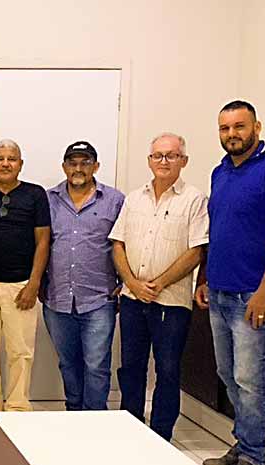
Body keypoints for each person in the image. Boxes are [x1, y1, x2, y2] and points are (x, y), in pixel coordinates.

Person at [196, 100, 265, 465]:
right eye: (224, 128)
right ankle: (245, 442)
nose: (231, 134)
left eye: (239, 126)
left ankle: (252, 458)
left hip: (256, 295)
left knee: (251, 381)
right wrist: (206, 278)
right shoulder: (220, 172)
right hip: (221, 292)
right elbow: (219, 230)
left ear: (257, 127)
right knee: (228, 374)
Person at [109, 133, 208, 441]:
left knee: (167, 370)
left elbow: (197, 250)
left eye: (171, 155)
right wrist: (131, 283)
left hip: (171, 302)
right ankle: (131, 428)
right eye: (157, 156)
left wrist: (159, 283)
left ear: (183, 160)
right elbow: (117, 243)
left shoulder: (194, 199)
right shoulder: (134, 198)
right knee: (131, 367)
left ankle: (160, 435)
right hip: (132, 299)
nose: (163, 161)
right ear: (149, 160)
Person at [41, 141, 124, 411]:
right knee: (68, 363)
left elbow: (126, 243)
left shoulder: (115, 200)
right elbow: (39, 244)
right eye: (73, 163)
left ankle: (95, 419)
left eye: (85, 162)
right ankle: (74, 413)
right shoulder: (48, 200)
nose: (78, 168)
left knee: (96, 365)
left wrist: (125, 281)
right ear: (64, 167)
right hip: (57, 298)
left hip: (99, 298)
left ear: (95, 166)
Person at [0, 139, 50, 412]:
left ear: (21, 164)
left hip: (21, 286)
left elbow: (43, 241)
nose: (5, 164)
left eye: (12, 159)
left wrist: (34, 283)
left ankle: (17, 409)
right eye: (0, 158)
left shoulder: (35, 195)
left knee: (21, 353)